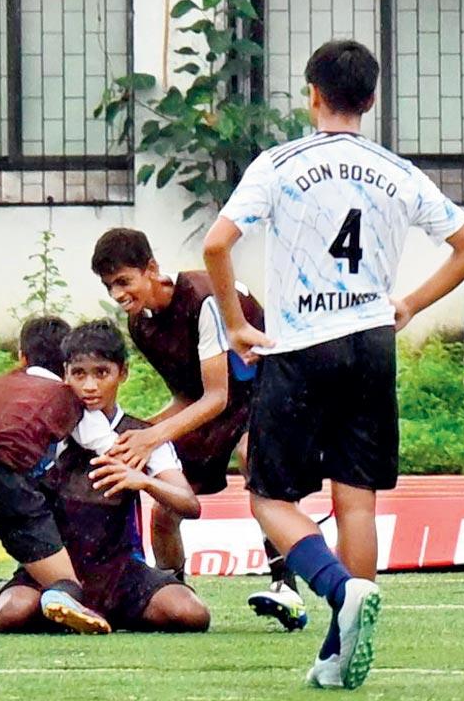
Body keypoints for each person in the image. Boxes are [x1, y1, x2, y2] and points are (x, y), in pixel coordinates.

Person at [202, 40, 464, 689]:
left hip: (304, 343)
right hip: (370, 341)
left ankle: (338, 592)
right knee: (355, 504)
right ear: (372, 98)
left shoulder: (280, 163)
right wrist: (411, 302)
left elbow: (218, 243)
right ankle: (338, 654)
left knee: (269, 496)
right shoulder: (396, 171)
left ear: (311, 94)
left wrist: (239, 324)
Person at [90, 229, 307, 631]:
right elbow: (188, 398)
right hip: (219, 402)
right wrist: (133, 434)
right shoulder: (141, 323)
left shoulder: (202, 299)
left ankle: (285, 587)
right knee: (166, 497)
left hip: (270, 393)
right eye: (109, 286)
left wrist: (153, 436)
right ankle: (171, 593)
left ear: (152, 269)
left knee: (252, 457)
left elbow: (218, 397)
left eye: (124, 281)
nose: (118, 294)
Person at [0, 320, 211, 633]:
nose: (90, 386)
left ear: (123, 372)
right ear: (65, 374)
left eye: (101, 373)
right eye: (79, 374)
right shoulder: (42, 428)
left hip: (119, 572)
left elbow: (189, 504)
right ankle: (47, 607)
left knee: (190, 613)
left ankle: (90, 614)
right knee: (9, 614)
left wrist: (143, 481)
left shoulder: (140, 436)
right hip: (52, 570)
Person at [0, 316, 115, 635]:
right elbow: (109, 448)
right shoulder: (66, 396)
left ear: (21, 357)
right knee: (66, 582)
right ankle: (61, 596)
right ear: (68, 364)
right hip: (5, 481)